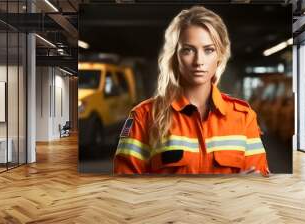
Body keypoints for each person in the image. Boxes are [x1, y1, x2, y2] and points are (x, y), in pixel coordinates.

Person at [113, 6, 270, 176]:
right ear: (175, 56)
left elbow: (258, 186)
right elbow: (125, 189)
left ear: (220, 56)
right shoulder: (143, 117)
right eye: (188, 50)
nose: (198, 61)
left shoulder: (244, 117)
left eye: (208, 50)